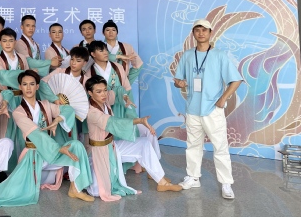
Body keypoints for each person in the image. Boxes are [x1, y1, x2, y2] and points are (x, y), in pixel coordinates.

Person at [0, 70, 94, 206]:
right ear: (20, 87)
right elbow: (36, 134)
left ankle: (75, 189)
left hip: (50, 153)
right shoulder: (18, 112)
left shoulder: (46, 105)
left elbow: (67, 109)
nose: (28, 88)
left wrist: (58, 119)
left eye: (32, 84)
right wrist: (58, 148)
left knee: (77, 146)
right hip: (33, 154)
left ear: (37, 86)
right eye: (25, 84)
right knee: (16, 192)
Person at [173, 19, 243, 200]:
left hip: (213, 109)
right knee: (193, 145)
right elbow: (177, 80)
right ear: (193, 34)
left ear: (210, 33)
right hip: (192, 109)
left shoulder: (219, 55)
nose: (201, 33)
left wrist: (223, 99)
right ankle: (193, 177)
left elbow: (236, 80)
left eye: (204, 30)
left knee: (220, 147)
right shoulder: (187, 55)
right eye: (197, 30)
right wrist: (179, 83)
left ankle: (226, 183)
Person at [84, 76, 181, 201]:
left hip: (111, 147)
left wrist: (125, 97)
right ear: (90, 93)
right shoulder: (92, 112)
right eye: (99, 91)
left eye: (105, 90)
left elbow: (118, 91)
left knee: (144, 143)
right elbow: (114, 123)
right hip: (99, 152)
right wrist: (139, 121)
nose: (104, 94)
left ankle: (162, 183)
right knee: (97, 190)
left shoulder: (104, 100)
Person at [88, 40, 136, 120]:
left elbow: (127, 88)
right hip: (101, 109)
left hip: (119, 107)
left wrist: (130, 108)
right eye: (101, 51)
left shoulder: (118, 67)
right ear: (93, 54)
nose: (105, 53)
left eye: (106, 50)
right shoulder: (89, 72)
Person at [102, 19, 143, 85]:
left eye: (113, 30)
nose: (111, 32)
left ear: (117, 33)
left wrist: (127, 81)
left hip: (122, 85)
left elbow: (138, 64)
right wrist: (120, 56)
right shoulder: (99, 48)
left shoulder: (127, 47)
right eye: (107, 30)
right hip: (103, 85)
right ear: (103, 33)